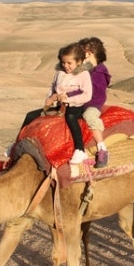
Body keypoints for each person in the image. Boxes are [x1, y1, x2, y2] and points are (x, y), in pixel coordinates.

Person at [20, 42, 93, 164]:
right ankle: (19, 142)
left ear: (79, 62)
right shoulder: (59, 73)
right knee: (31, 115)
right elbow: (53, 87)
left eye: (69, 63)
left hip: (76, 106)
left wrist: (68, 100)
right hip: (59, 105)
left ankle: (80, 150)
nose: (66, 66)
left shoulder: (83, 74)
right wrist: (50, 98)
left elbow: (87, 95)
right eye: (63, 62)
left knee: (70, 117)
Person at [78, 36, 112, 168]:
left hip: (92, 103)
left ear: (89, 53)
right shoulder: (86, 68)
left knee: (89, 116)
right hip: (80, 102)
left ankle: (102, 149)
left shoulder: (99, 72)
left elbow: (93, 93)